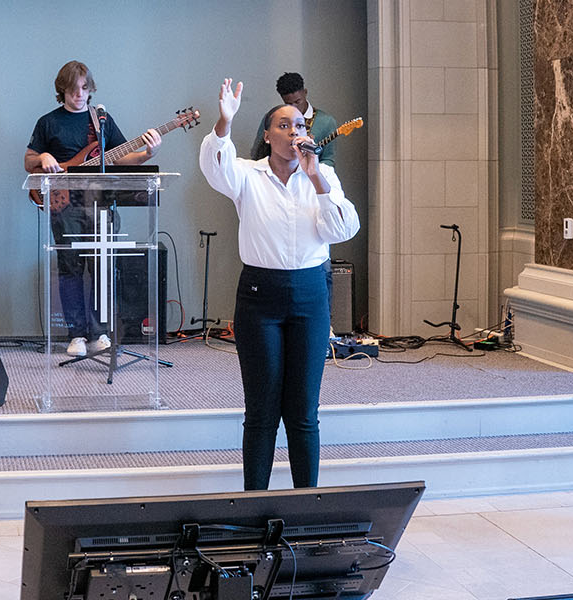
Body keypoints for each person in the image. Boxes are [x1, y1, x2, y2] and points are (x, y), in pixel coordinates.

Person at [199, 78, 360, 490]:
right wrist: (224, 121)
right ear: (268, 136)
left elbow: (341, 229)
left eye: (300, 127)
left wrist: (317, 179)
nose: (294, 133)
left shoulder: (323, 176)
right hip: (259, 299)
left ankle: (306, 503)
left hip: (310, 295)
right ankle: (256, 506)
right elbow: (215, 167)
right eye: (284, 126)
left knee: (304, 411)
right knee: (262, 411)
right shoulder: (247, 176)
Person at [24, 60, 163, 356]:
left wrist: (148, 152)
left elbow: (122, 157)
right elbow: (28, 160)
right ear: (62, 91)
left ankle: (99, 332)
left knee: (102, 268)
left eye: (85, 89)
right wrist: (45, 156)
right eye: (74, 90)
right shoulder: (48, 122)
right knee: (70, 268)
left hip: (101, 202)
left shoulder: (100, 121)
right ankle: (76, 335)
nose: (80, 95)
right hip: (64, 205)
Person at [250, 72, 340, 167]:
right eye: (289, 103)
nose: (294, 107)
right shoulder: (272, 118)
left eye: (298, 101)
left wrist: (313, 173)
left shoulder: (326, 122)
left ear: (305, 92)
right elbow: (257, 153)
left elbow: (328, 160)